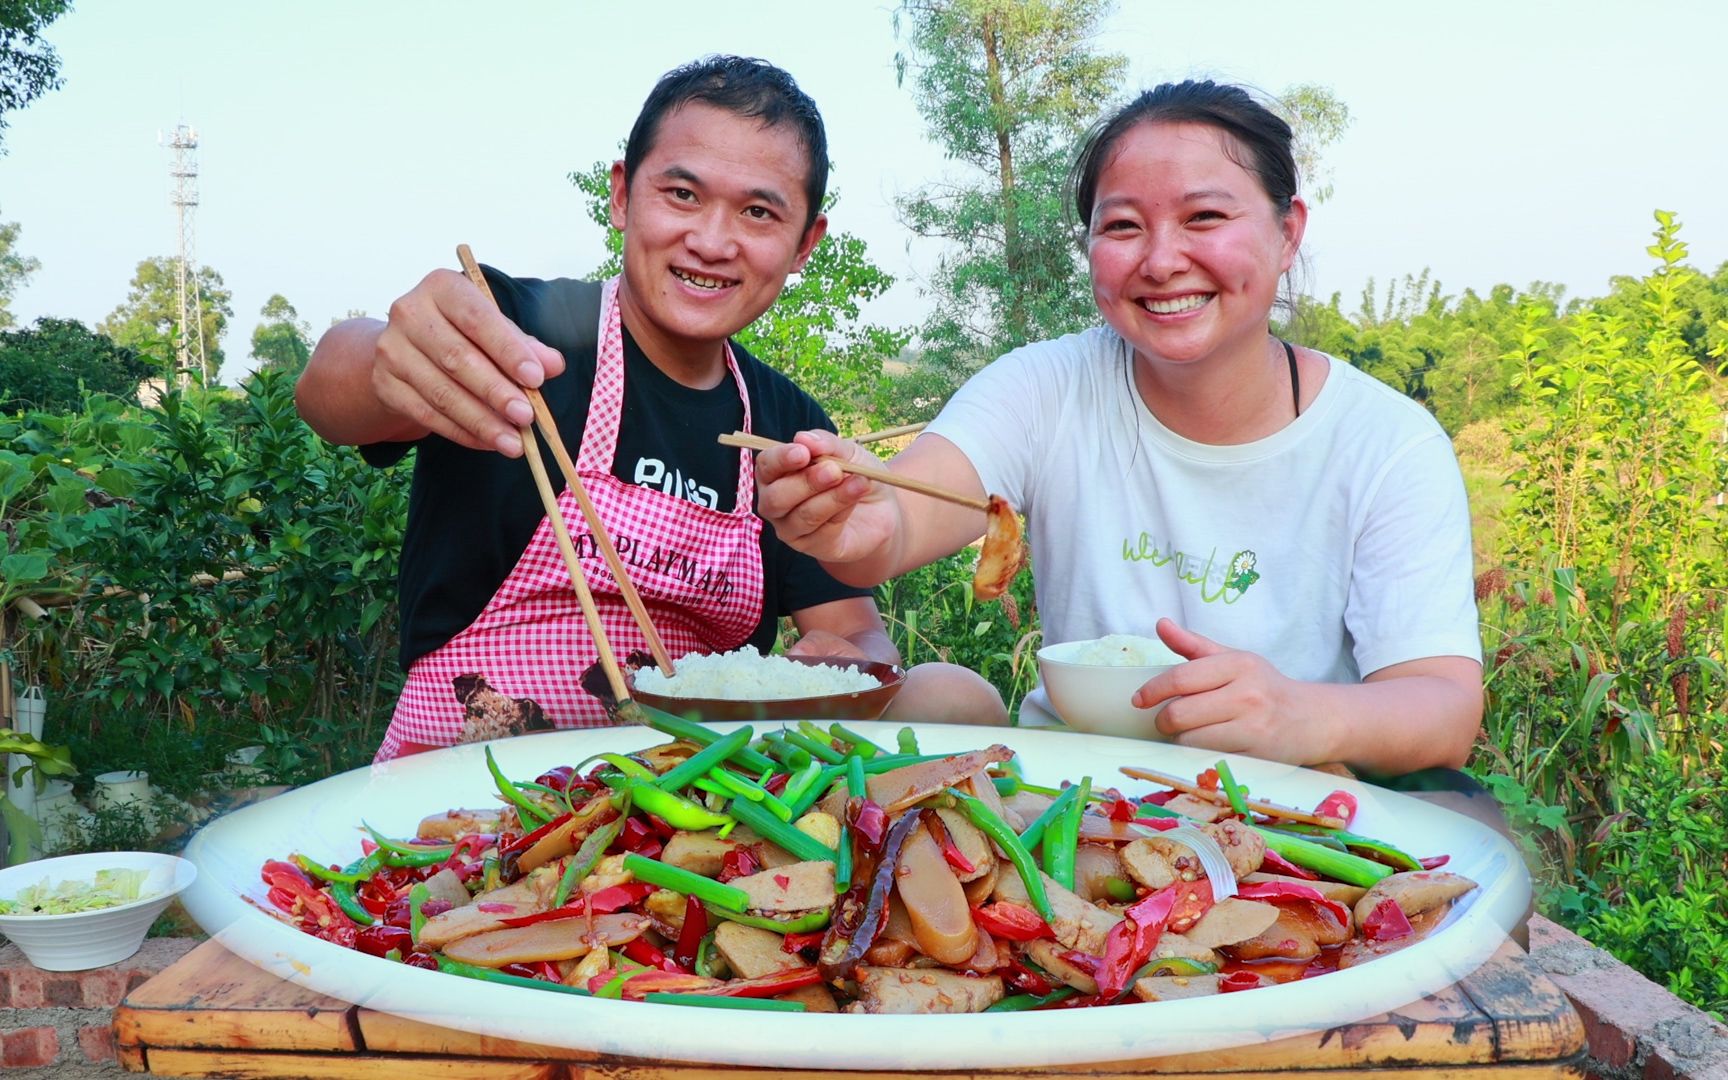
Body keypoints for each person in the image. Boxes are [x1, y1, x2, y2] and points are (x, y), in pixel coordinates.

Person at [755, 80, 1483, 778]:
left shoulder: (1386, 443)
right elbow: (906, 507)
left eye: (1204, 218)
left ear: (1287, 232)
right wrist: (855, 522)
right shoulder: (1047, 387)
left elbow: (1443, 705)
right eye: (1124, 226)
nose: (1163, 262)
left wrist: (1301, 715)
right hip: (1070, 801)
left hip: (1282, 814)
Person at [295, 56, 1006, 761]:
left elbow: (857, 634)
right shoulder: (518, 331)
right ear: (622, 195)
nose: (712, 241)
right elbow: (333, 393)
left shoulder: (786, 427)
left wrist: (838, 661)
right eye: (683, 195)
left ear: (803, 246)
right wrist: (385, 350)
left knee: (953, 695)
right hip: (460, 796)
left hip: (685, 807)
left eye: (758, 212)